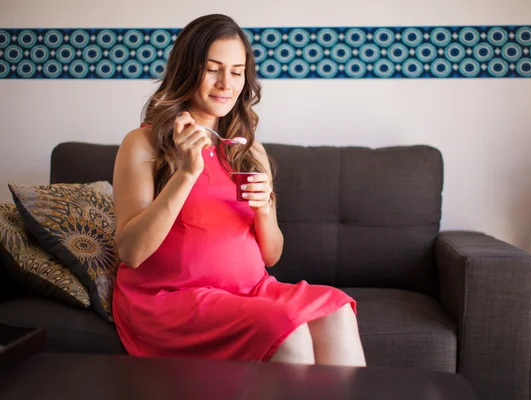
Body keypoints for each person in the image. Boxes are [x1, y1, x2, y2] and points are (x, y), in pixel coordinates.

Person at [111, 14, 366, 366]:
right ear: (187, 70)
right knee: (284, 326)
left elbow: (271, 256)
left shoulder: (249, 150)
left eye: (236, 70)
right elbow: (132, 252)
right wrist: (186, 174)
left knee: (337, 310)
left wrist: (263, 210)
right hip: (171, 298)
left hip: (248, 291)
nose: (225, 83)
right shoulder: (144, 144)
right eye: (212, 69)